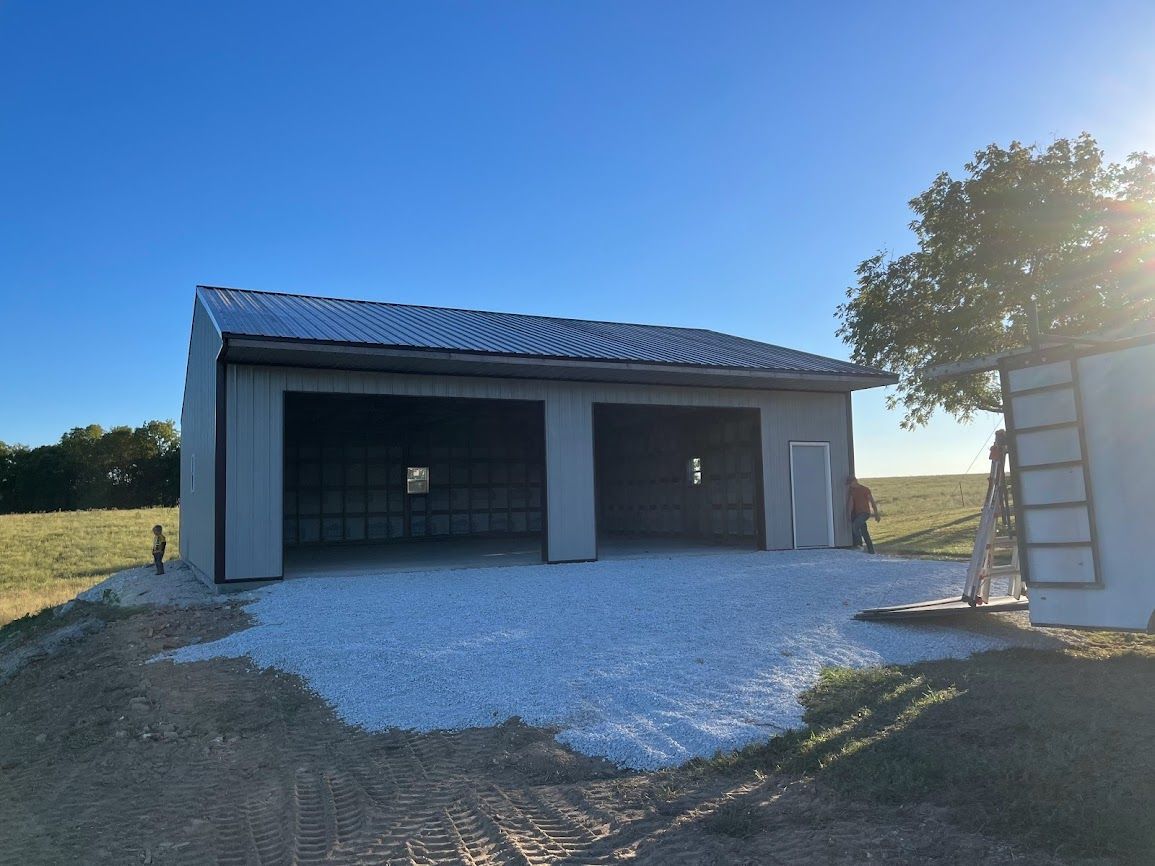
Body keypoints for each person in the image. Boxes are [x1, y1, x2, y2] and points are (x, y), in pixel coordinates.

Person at [847, 476, 880, 554]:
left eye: (850, 483)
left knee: (855, 525)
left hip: (865, 513)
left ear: (855, 481)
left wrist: (876, 514)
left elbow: (872, 502)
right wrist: (848, 515)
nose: (849, 485)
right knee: (864, 532)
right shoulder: (852, 491)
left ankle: (859, 545)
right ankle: (871, 551)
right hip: (857, 514)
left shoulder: (865, 489)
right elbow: (851, 503)